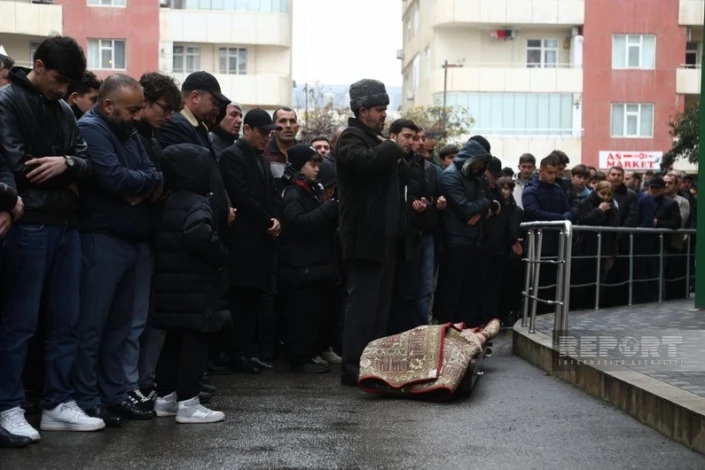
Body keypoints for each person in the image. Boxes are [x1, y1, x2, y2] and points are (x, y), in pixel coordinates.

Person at [0, 35, 104, 441]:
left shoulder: (62, 108)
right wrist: (70, 173)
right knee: (20, 323)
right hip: (30, 226)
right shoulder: (7, 102)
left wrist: (66, 163)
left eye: (69, 84)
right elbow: (18, 166)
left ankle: (57, 403)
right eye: (59, 80)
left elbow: (86, 164)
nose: (63, 90)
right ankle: (8, 405)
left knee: (67, 320)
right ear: (38, 66)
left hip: (63, 226)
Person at [73, 74, 163, 423]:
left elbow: (154, 174)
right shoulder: (92, 129)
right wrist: (139, 184)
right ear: (108, 105)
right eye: (132, 110)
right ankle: (85, 398)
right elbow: (113, 178)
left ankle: (114, 395)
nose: (137, 117)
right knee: (91, 326)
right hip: (102, 239)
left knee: (119, 328)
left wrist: (138, 187)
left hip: (128, 240)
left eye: (139, 109)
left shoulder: (128, 131)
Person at [335, 79, 407, 386]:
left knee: (379, 310)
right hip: (364, 238)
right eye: (379, 109)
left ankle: (373, 365)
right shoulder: (351, 137)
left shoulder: (373, 138)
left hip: (384, 237)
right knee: (362, 308)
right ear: (362, 110)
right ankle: (353, 368)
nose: (384, 115)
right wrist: (391, 146)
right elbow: (364, 164)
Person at [151, 144, 230, 424]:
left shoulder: (166, 200)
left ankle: (165, 398)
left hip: (169, 288)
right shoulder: (198, 202)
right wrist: (220, 255)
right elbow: (199, 235)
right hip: (195, 287)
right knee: (195, 342)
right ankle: (189, 402)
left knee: (172, 343)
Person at [126, 71, 183, 410]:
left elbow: (155, 182)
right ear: (144, 101)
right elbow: (133, 182)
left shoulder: (150, 136)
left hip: (147, 234)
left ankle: (142, 383)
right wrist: (150, 185)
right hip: (127, 235)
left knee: (149, 320)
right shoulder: (130, 134)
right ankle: (130, 385)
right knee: (131, 321)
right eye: (164, 107)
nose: (168, 116)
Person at [219, 108, 282, 374]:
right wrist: (268, 221)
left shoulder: (261, 158)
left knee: (255, 300)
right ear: (247, 130)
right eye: (262, 133)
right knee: (240, 300)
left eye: (269, 134)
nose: (266, 138)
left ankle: (249, 351)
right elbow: (242, 196)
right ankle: (236, 354)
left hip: (261, 240)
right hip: (244, 240)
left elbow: (271, 194)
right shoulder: (232, 156)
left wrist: (276, 218)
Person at [279, 145, 339, 374]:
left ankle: (308, 354)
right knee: (301, 314)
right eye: (312, 164)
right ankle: (300, 358)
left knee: (312, 312)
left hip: (311, 264)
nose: (317, 169)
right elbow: (298, 223)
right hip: (300, 265)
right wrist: (328, 210)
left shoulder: (310, 189)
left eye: (318, 164)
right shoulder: (294, 192)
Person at [434, 140, 494, 327]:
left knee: (470, 293)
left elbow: (485, 201)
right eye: (479, 162)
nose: (481, 167)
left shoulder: (474, 178)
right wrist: (485, 206)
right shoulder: (450, 176)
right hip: (456, 241)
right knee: (452, 292)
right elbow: (466, 208)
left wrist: (482, 209)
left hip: (473, 240)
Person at [522, 155, 573, 312]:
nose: (553, 176)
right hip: (537, 243)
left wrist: (566, 217)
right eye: (549, 172)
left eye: (555, 173)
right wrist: (561, 219)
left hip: (557, 242)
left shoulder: (558, 189)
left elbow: (568, 209)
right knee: (536, 283)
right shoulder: (531, 189)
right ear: (541, 171)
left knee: (554, 283)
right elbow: (533, 212)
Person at [572, 181, 620, 310]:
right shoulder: (585, 203)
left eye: (609, 194)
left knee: (599, 283)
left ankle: (594, 307)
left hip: (602, 251)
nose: (605, 197)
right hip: (585, 249)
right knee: (582, 284)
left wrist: (612, 254)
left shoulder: (613, 208)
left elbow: (613, 232)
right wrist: (599, 211)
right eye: (602, 193)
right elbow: (583, 221)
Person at [497, 177, 524, 325]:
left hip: (514, 255)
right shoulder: (496, 208)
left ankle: (509, 313)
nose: (504, 192)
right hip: (499, 251)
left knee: (512, 285)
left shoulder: (517, 211)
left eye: (507, 188)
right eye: (502, 188)